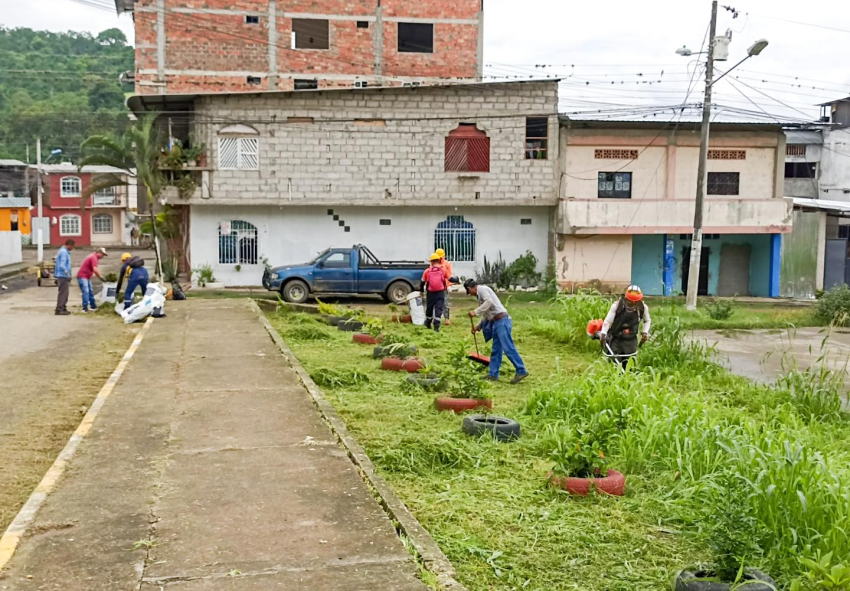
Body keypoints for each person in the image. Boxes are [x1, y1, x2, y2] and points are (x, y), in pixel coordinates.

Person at [464, 278, 529, 384]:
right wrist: (478, 327)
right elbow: (486, 313)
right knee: (496, 350)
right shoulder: (480, 296)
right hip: (496, 322)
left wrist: (476, 312)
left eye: (468, 292)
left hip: (502, 321)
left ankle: (521, 370)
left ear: (470, 288)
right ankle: (493, 374)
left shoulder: (482, 289)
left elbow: (489, 302)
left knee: (508, 347)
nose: (470, 294)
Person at [599, 285, 652, 367]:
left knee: (629, 365)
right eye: (631, 301)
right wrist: (603, 333)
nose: (633, 303)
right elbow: (608, 321)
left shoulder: (643, 308)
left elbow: (647, 321)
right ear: (626, 298)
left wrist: (645, 332)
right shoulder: (616, 306)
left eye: (636, 301)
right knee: (615, 364)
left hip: (631, 340)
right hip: (616, 339)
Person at [422, 253, 450, 332]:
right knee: (439, 309)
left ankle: (428, 322)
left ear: (431, 262)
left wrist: (421, 290)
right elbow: (450, 278)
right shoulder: (443, 270)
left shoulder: (427, 271)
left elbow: (422, 282)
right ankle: (436, 327)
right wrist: (457, 279)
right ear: (440, 260)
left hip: (430, 293)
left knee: (429, 308)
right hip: (440, 293)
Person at [77, 247, 107, 313]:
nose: (103, 256)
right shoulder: (94, 258)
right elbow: (95, 270)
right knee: (86, 291)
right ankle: (84, 308)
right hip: (82, 276)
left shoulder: (93, 256)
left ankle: (93, 306)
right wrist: (101, 277)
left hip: (86, 277)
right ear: (99, 253)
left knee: (90, 291)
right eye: (103, 254)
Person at [54, 239, 75, 316]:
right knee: (63, 293)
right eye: (72, 246)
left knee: (64, 292)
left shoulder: (62, 251)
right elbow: (62, 265)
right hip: (63, 275)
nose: (73, 248)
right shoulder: (64, 252)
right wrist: (67, 273)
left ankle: (62, 307)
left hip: (62, 275)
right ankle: (60, 309)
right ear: (69, 245)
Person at [435, 248, 453, 326]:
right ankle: (435, 318)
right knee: (435, 303)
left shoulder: (447, 264)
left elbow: (449, 276)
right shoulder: (433, 264)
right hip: (435, 287)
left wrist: (449, 285)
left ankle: (447, 318)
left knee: (445, 303)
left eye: (441, 257)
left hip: (444, 287)